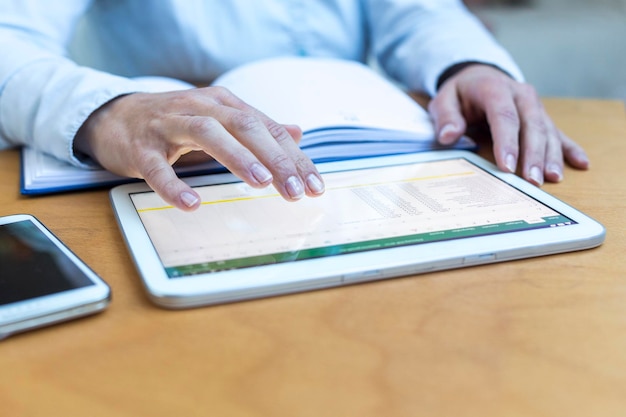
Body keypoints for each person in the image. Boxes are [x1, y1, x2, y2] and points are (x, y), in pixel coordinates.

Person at [0, 1, 589, 211]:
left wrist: (469, 64)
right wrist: (105, 110)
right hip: (168, 179)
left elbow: (420, 12)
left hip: (357, 176)